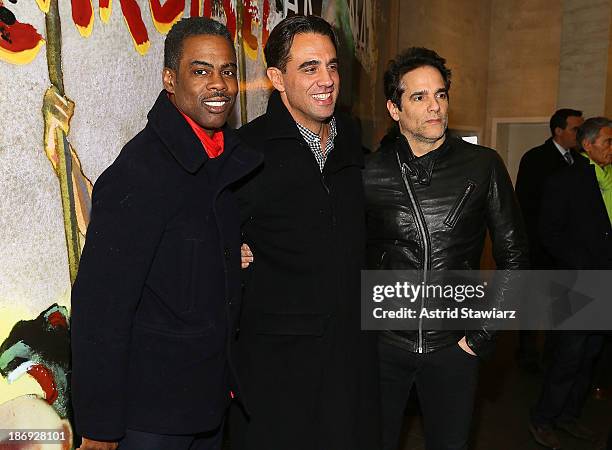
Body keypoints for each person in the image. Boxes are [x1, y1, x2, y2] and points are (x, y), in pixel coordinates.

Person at [70, 17, 261, 450]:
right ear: (170, 80)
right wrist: (98, 427)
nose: (219, 84)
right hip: (150, 416)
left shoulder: (220, 157)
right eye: (201, 71)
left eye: (227, 71)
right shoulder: (141, 172)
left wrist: (230, 253)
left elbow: (182, 258)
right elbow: (100, 305)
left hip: (206, 404)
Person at [362, 47, 528, 450]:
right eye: (419, 97)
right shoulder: (369, 172)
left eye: (440, 94)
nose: (434, 106)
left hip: (453, 346)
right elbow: (336, 247)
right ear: (394, 108)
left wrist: (480, 336)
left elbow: (516, 257)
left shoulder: (482, 165)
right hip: (384, 343)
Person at [230, 14, 380, 450]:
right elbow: (209, 235)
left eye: (332, 66)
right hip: (278, 370)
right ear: (277, 78)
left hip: (351, 360)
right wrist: (228, 249)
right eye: (309, 68)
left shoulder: (353, 143)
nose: (327, 79)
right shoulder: (246, 152)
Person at [529, 117, 612, 449]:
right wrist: (581, 263)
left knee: (590, 354)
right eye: (607, 141)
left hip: (605, 281)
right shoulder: (565, 181)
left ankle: (569, 416)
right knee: (568, 356)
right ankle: (543, 419)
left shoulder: (609, 178)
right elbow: (549, 232)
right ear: (588, 145)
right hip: (577, 281)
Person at [514, 109, 584, 372]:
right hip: (539, 246)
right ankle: (527, 354)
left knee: (562, 302)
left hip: (568, 249)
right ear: (558, 131)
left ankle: (555, 355)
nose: (579, 134)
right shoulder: (535, 159)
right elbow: (525, 203)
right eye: (576, 129)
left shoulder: (579, 160)